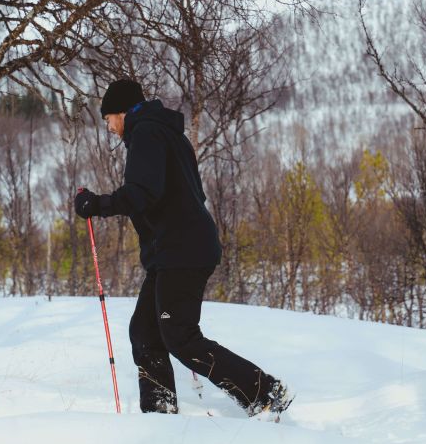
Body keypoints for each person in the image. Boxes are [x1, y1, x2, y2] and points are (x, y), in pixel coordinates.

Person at [75, 79, 293, 417]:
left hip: (182, 251)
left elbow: (142, 193)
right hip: (175, 251)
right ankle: (160, 413)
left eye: (107, 119)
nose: (109, 127)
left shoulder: (146, 134)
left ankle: (264, 392)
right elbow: (186, 195)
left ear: (120, 112)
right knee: (146, 332)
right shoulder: (167, 134)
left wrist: (97, 204)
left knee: (179, 336)